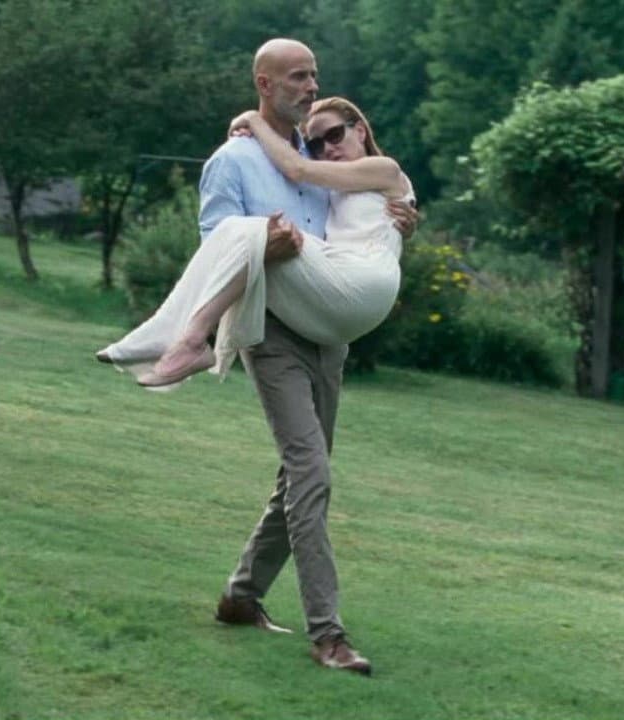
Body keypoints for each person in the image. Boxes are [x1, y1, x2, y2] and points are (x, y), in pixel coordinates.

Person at [98, 38, 417, 676]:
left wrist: (401, 217)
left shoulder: (316, 160)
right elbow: (217, 247)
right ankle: (328, 635)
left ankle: (241, 597)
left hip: (326, 334)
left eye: (315, 77)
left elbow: (361, 218)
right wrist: (263, 249)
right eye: (298, 77)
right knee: (311, 473)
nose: (310, 87)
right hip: (270, 335)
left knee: (300, 476)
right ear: (264, 85)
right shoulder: (234, 159)